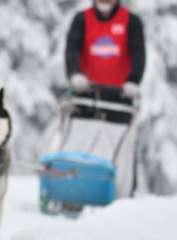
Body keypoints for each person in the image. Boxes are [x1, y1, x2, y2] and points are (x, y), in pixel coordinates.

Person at [63, 0, 146, 198]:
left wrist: (134, 80)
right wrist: (74, 74)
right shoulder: (82, 19)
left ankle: (121, 196)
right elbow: (72, 49)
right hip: (86, 96)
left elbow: (138, 53)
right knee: (79, 145)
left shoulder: (130, 21)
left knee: (118, 152)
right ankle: (73, 193)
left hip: (120, 99)